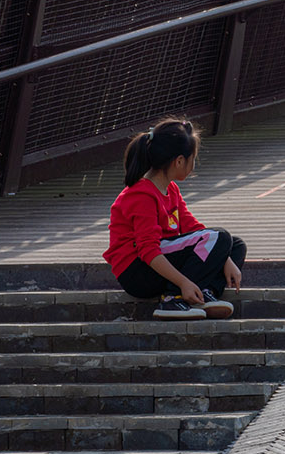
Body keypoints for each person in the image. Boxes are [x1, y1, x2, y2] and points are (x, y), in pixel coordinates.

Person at [104, 119, 247, 320]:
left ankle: (204, 294)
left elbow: (192, 227)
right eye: (193, 159)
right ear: (179, 161)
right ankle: (173, 299)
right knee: (220, 237)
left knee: (235, 245)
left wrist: (225, 257)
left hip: (160, 259)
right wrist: (182, 282)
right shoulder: (141, 194)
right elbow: (147, 249)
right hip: (138, 271)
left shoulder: (170, 189)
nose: (193, 165)